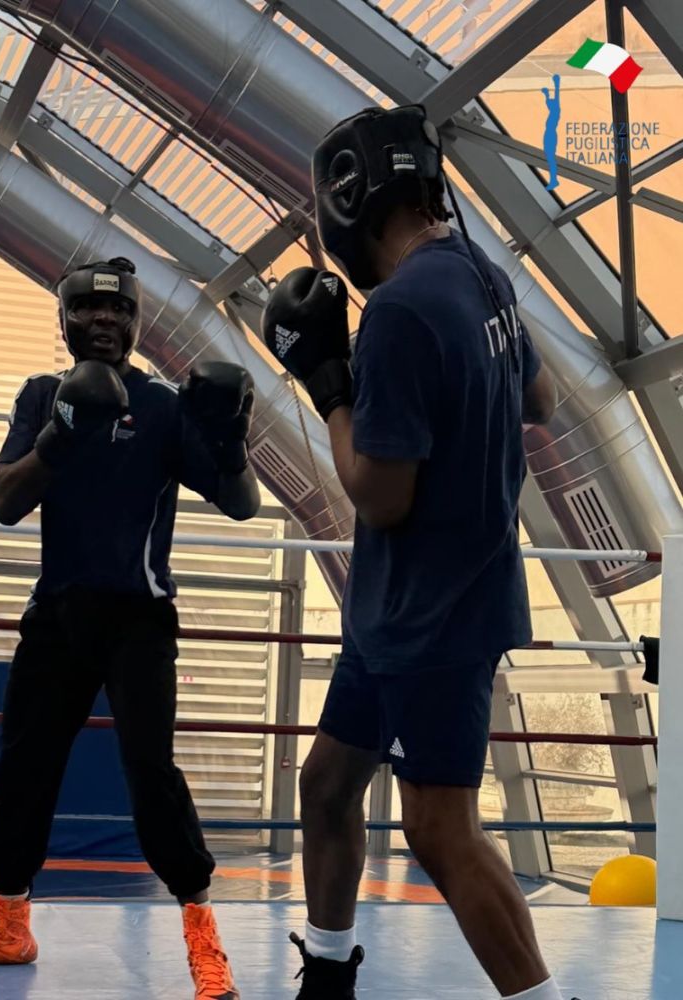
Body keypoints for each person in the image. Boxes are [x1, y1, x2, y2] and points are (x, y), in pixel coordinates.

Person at [262, 106, 570, 1000]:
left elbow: (380, 494)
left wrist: (329, 388)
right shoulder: (481, 273)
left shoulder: (398, 310)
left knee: (439, 827)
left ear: (347, 202)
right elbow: (541, 399)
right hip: (406, 610)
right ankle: (328, 977)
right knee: (327, 785)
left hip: (430, 616)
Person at [0, 256, 260, 1000]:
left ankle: (204, 942)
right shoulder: (41, 395)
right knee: (22, 771)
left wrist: (231, 440)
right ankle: (10, 927)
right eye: (87, 308)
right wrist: (62, 430)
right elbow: (4, 503)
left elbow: (241, 504)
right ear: (65, 320)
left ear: (136, 322)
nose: (104, 319)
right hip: (58, 615)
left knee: (151, 772)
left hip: (139, 618)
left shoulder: (165, 405)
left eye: (119, 310)